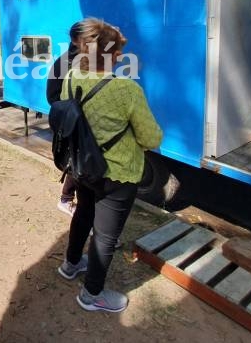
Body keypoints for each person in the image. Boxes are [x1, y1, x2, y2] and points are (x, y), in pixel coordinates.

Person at [56, 18, 162, 313]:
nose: (120, 57)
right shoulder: (126, 90)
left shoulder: (72, 77)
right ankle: (92, 295)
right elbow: (152, 137)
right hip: (118, 174)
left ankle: (71, 264)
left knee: (83, 215)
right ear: (107, 54)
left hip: (84, 167)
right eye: (117, 52)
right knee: (105, 236)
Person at [46, 21, 84, 217]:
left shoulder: (88, 62)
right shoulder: (65, 64)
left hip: (80, 123)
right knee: (75, 162)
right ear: (77, 40)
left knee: (78, 163)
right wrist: (72, 113)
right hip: (70, 124)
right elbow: (52, 98)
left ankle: (67, 199)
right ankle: (67, 200)